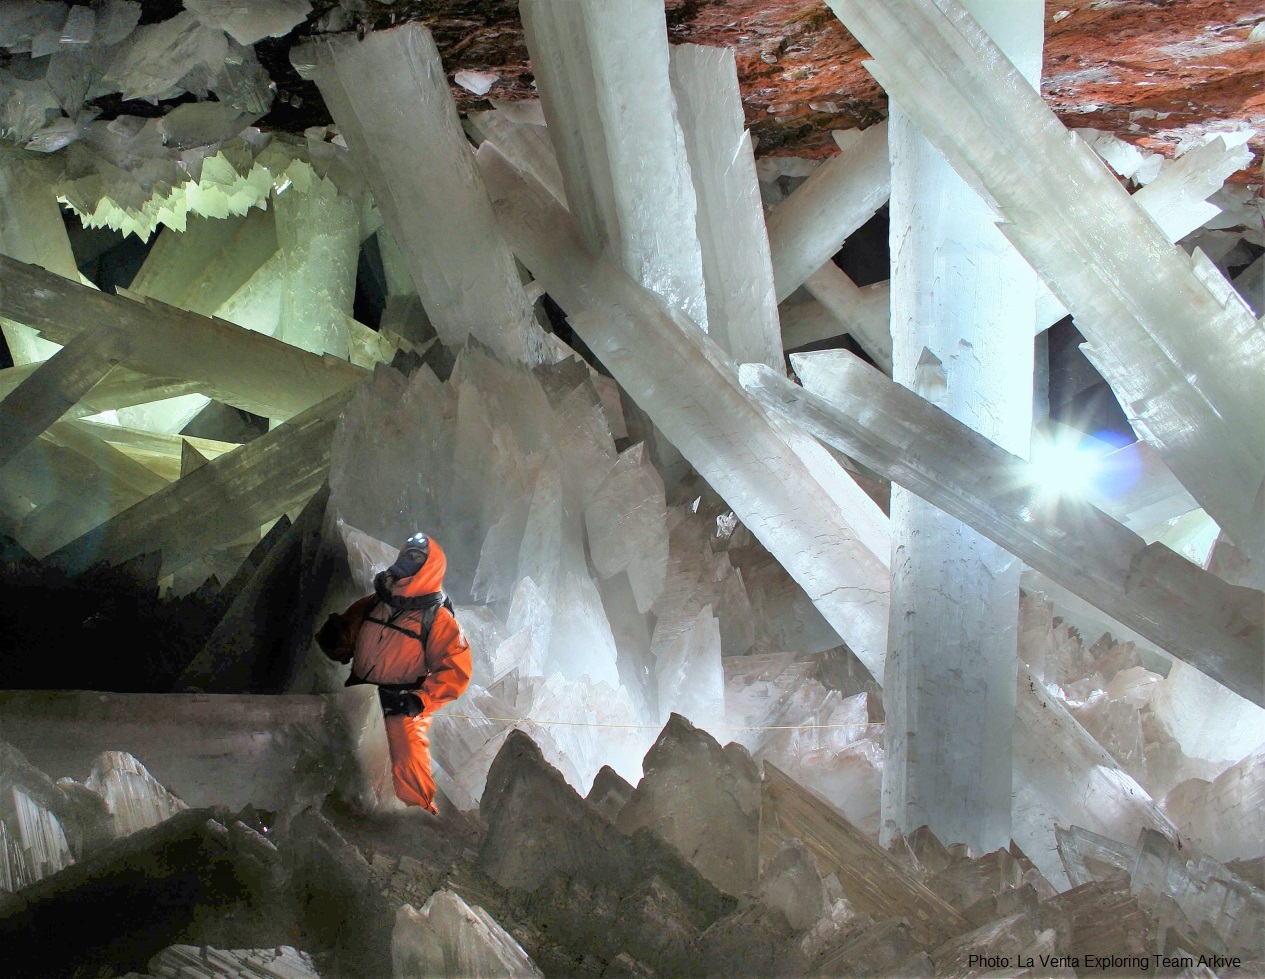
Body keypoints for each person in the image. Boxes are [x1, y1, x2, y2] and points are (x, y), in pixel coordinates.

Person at [316, 532, 471, 813]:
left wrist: (420, 700)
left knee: (408, 768)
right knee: (345, 760)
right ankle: (353, 813)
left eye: (415, 557)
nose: (406, 561)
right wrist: (336, 638)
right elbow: (348, 638)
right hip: (360, 695)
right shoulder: (374, 602)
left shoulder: (437, 618)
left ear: (430, 565)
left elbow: (456, 669)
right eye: (406, 554)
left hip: (403, 704)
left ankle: (416, 821)